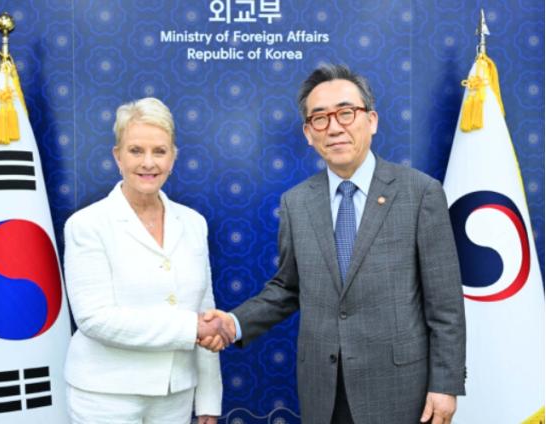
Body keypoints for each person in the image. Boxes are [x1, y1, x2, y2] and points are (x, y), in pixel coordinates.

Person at [201, 65, 466, 424]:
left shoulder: (419, 193)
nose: (335, 127)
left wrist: (445, 385)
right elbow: (287, 288)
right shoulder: (296, 202)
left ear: (371, 120)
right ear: (308, 133)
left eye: (346, 113)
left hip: (401, 390)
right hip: (323, 391)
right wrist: (233, 323)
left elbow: (445, 304)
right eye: (320, 118)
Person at [63, 97, 228, 424]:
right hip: (106, 396)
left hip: (175, 396)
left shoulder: (193, 223)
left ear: (173, 158)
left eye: (159, 151)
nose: (148, 163)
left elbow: (205, 309)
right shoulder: (87, 224)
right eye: (136, 151)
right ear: (118, 156)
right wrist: (190, 327)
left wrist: (209, 399)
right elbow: (94, 318)